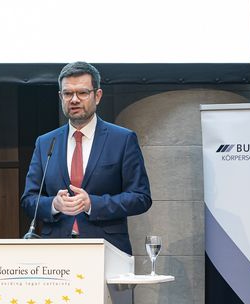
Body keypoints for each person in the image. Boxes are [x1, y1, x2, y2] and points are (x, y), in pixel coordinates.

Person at [20, 61, 152, 255]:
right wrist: (54, 205)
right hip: (55, 252)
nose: (74, 99)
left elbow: (141, 198)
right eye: (67, 93)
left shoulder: (122, 139)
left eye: (82, 93)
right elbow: (29, 200)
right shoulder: (45, 142)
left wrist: (93, 204)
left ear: (97, 96)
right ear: (60, 97)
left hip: (108, 249)